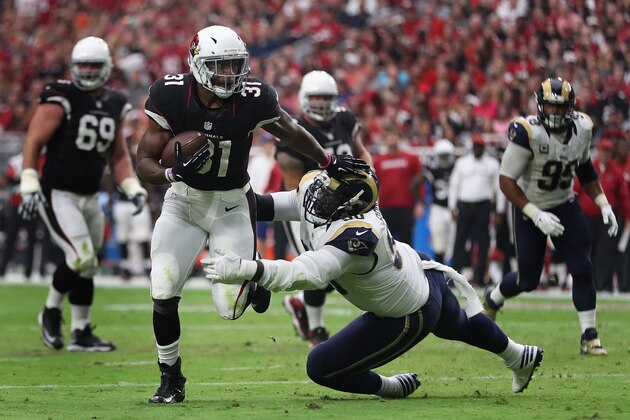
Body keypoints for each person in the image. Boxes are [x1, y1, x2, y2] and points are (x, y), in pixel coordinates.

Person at [134, 26, 367, 404]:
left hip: (231, 203)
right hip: (183, 202)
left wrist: (327, 160)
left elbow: (290, 130)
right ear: (197, 65)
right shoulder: (171, 95)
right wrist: (171, 173)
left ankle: (255, 279)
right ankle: (170, 376)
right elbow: (143, 161)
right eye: (219, 65)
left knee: (230, 309)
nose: (229, 74)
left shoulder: (253, 98)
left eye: (234, 65)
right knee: (162, 286)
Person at [203, 167, 543, 398]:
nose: (317, 196)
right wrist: (223, 198)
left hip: (408, 313)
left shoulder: (357, 236)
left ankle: (388, 387)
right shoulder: (333, 198)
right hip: (421, 270)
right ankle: (518, 355)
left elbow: (306, 274)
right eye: (324, 188)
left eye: (329, 196)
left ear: (350, 206)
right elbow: (267, 205)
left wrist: (250, 269)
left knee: (320, 366)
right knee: (457, 324)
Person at [19, 36, 148, 351]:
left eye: (94, 65)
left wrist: (131, 185)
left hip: (90, 195)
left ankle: (81, 331)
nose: (88, 71)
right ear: (73, 67)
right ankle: (50, 310)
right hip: (58, 192)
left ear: (106, 67)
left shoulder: (115, 102)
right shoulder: (61, 96)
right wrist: (29, 179)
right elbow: (34, 140)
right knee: (81, 257)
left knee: (88, 264)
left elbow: (118, 156)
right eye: (83, 66)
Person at [483, 77, 618, 356]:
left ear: (570, 107)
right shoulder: (527, 132)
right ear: (540, 106)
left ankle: (589, 336)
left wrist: (603, 203)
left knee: (582, 266)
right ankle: (493, 298)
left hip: (564, 203)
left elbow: (585, 169)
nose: (555, 113)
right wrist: (535, 214)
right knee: (527, 280)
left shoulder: (582, 128)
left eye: (560, 107)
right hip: (528, 206)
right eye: (550, 107)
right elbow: (506, 180)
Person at [277, 70, 372, 347]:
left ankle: (298, 303)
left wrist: (368, 174)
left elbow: (361, 151)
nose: (321, 103)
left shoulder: (345, 118)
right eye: (316, 97)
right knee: (319, 269)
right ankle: (316, 330)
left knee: (344, 266)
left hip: (345, 205)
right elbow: (297, 191)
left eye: (326, 97)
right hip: (305, 211)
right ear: (305, 99)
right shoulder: (291, 134)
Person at [574, 138, 630, 292]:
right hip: (587, 217)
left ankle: (601, 285)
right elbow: (576, 190)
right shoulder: (589, 167)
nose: (605, 154)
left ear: (611, 153)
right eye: (603, 150)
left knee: (605, 253)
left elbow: (623, 196)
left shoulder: (617, 171)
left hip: (606, 219)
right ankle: (586, 284)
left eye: (608, 151)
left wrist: (626, 216)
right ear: (597, 150)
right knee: (586, 250)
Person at [448, 134, 500, 287]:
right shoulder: (462, 163)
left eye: (480, 146)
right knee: (459, 241)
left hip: (483, 206)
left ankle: (479, 277)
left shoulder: (492, 164)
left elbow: (498, 188)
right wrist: (452, 206)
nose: (477, 149)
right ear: (472, 146)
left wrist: (499, 211)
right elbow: (454, 185)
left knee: (483, 242)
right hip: (465, 205)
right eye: (475, 146)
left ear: (483, 147)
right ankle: (455, 276)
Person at [372, 124, 423, 246]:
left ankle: (410, 266)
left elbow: (419, 182)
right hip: (385, 208)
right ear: (384, 139)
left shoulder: (411, 158)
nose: (392, 138)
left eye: (394, 135)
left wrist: (420, 203)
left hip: (405, 207)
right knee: (387, 244)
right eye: (389, 136)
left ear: (399, 137)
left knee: (407, 243)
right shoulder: (378, 161)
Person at [423, 139, 456, 263]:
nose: (444, 158)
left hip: (453, 209)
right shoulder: (432, 169)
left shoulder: (456, 167)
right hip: (437, 208)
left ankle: (457, 272)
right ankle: (440, 272)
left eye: (446, 155)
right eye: (442, 155)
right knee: (438, 242)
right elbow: (417, 182)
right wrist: (423, 201)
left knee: (453, 242)